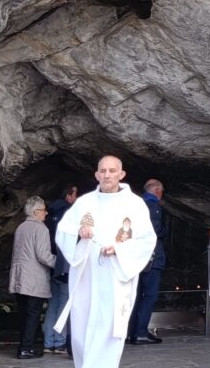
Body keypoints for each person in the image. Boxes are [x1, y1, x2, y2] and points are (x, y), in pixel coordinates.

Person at [55, 155, 156, 368]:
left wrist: (118, 250)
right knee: (82, 329)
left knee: (108, 328)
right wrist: (78, 232)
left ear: (122, 174)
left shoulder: (135, 205)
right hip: (86, 276)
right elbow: (63, 231)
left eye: (112, 171)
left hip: (115, 277)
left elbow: (147, 240)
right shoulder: (84, 203)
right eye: (103, 171)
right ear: (96, 174)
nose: (107, 175)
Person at [10, 197, 57, 359]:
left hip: (18, 277)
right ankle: (26, 348)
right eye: (44, 210)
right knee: (33, 314)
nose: (46, 213)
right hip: (33, 279)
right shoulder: (41, 228)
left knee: (23, 314)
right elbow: (43, 256)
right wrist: (62, 264)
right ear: (36, 212)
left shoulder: (21, 227)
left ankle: (23, 346)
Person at [127, 179, 165, 344]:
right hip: (151, 258)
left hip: (136, 258)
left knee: (135, 296)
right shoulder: (153, 206)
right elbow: (154, 232)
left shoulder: (136, 205)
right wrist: (165, 230)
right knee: (149, 296)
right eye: (161, 191)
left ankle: (131, 332)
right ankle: (141, 332)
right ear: (157, 191)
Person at [44, 184, 77, 354]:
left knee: (53, 303)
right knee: (64, 304)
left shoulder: (49, 214)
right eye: (75, 195)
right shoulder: (69, 213)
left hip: (51, 264)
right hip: (65, 266)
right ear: (69, 196)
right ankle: (60, 341)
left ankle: (49, 341)